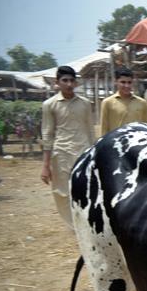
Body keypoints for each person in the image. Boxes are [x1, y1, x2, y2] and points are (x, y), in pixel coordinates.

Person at [41, 65, 95, 227]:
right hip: (61, 154)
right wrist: (45, 166)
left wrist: (94, 154)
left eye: (72, 80)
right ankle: (73, 226)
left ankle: (86, 223)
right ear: (57, 82)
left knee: (86, 189)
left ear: (76, 83)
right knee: (62, 192)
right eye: (65, 80)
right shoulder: (49, 105)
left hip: (83, 152)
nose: (69, 84)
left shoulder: (85, 103)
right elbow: (47, 134)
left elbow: (90, 131)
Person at [100, 66, 147, 135]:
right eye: (123, 82)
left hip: (137, 143)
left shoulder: (142, 103)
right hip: (116, 143)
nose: (127, 86)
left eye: (129, 82)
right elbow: (104, 128)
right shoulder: (107, 102)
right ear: (115, 82)